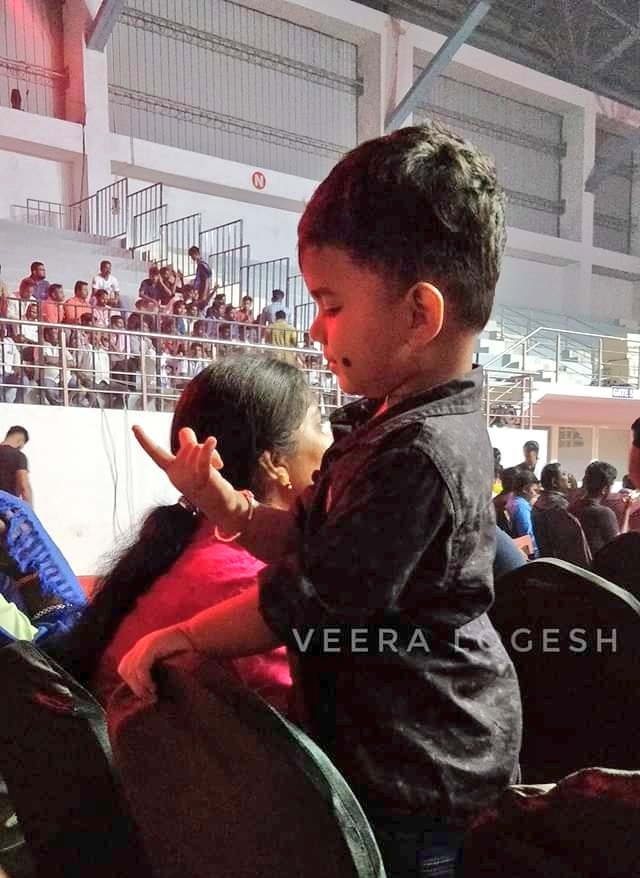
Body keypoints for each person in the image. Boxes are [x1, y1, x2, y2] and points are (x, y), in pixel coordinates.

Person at [118, 122, 522, 877]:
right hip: (383, 751)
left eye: (331, 303)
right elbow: (307, 538)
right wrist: (227, 505)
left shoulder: (422, 456)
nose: (315, 326)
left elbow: (308, 598)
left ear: (418, 315)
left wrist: (191, 636)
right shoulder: (384, 428)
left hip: (422, 771)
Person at [59, 356, 331, 710]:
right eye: (321, 423)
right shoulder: (249, 583)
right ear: (274, 463)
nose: (335, 441)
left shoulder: (195, 542)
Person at [570, 461, 621, 556]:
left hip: (573, 567)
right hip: (597, 568)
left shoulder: (571, 508)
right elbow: (620, 546)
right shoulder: (604, 513)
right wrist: (627, 511)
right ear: (605, 489)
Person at [508, 469, 539, 555]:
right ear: (525, 489)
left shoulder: (513, 500)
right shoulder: (521, 507)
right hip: (528, 554)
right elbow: (528, 535)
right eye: (535, 490)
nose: (537, 494)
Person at [0, 427, 32, 504]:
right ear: (20, 440)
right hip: (4, 508)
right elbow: (24, 486)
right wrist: (29, 511)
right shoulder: (18, 456)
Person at [188, 246, 212, 311]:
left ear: (195, 253)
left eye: (192, 255)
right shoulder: (203, 264)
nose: (192, 258)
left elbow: (206, 280)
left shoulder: (202, 265)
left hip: (203, 291)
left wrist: (204, 294)